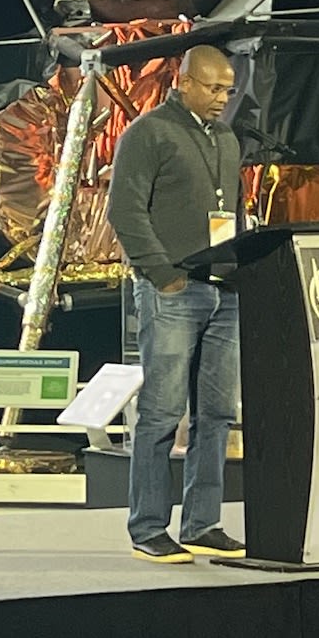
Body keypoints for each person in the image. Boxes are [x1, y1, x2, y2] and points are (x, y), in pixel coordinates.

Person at [107, 44, 246, 564]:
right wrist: (161, 274)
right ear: (184, 82)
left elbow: (232, 210)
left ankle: (202, 523)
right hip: (173, 290)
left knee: (217, 414)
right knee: (162, 412)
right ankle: (148, 527)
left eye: (228, 90)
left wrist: (238, 269)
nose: (223, 98)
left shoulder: (227, 138)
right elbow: (125, 210)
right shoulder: (148, 133)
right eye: (213, 88)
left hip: (223, 291)